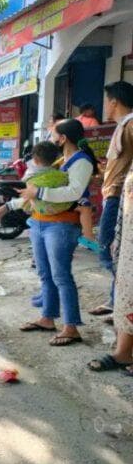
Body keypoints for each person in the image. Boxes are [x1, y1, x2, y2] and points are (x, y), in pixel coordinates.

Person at [0, 118, 98, 346]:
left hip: (61, 225)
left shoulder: (81, 161)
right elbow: (34, 194)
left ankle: (71, 327)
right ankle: (47, 318)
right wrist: (9, 206)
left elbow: (73, 192)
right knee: (45, 274)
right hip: (40, 222)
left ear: (63, 138)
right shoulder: (61, 160)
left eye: (53, 133)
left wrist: (38, 193)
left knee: (61, 276)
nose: (50, 137)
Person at [88, 81, 133, 317]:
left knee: (108, 251)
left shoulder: (130, 124)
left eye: (106, 101)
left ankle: (123, 302)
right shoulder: (122, 126)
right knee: (114, 251)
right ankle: (117, 301)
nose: (104, 106)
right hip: (113, 196)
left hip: (119, 198)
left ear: (114, 102)